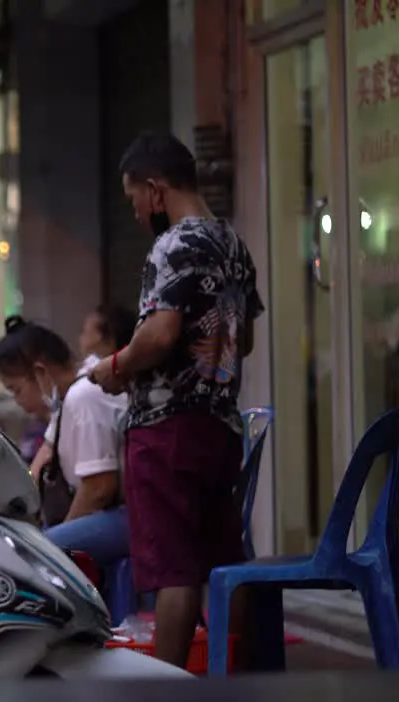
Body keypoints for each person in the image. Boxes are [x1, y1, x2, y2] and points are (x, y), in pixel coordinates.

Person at [88, 130, 263, 668]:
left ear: (155, 188)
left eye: (134, 199)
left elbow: (161, 335)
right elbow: (245, 340)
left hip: (166, 432)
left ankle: (165, 696)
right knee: (220, 565)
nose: (137, 213)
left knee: (174, 573)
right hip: (219, 428)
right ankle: (229, 685)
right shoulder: (232, 242)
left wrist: (115, 366)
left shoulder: (173, 245)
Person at [0, 317, 128, 566]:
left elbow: (99, 488)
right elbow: (45, 454)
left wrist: (57, 547)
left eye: (16, 390)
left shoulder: (84, 395)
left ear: (40, 372)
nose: (18, 402)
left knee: (36, 554)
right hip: (111, 513)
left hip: (127, 515)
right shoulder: (70, 395)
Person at [29, 304, 136, 479]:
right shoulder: (81, 386)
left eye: (85, 333)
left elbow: (99, 486)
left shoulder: (91, 391)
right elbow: (46, 451)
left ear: (107, 341)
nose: (80, 340)